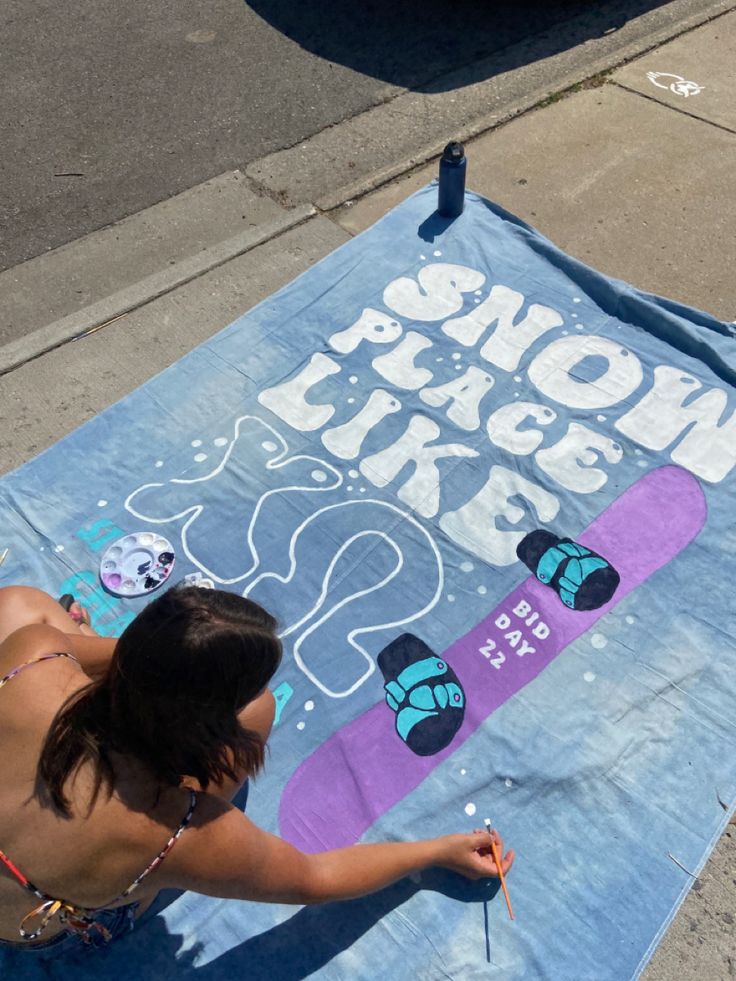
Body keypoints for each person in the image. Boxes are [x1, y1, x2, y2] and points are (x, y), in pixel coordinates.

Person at [0, 584, 514, 959]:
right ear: (202, 723)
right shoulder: (177, 835)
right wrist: (437, 852)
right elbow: (314, 878)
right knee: (260, 710)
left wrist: (97, 640)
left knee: (18, 605)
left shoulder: (31, 656)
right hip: (40, 922)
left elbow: (134, 663)